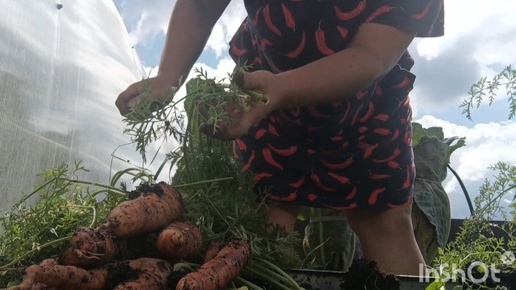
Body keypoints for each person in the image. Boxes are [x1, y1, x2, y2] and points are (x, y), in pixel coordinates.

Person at [116, 0, 445, 276]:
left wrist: (279, 90)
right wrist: (168, 76)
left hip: (366, 115)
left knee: (384, 224)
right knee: (261, 230)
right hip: (265, 104)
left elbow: (371, 55)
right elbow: (201, 5)